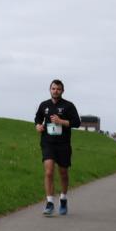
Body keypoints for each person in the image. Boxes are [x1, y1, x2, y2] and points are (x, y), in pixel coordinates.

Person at [34, 80, 82, 216]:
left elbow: (77, 123)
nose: (55, 91)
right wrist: (38, 126)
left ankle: (63, 198)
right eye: (53, 88)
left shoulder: (68, 106)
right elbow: (37, 118)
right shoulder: (44, 105)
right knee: (49, 171)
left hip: (63, 144)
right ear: (50, 89)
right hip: (48, 142)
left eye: (58, 89)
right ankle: (49, 202)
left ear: (62, 91)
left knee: (63, 173)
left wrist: (61, 121)